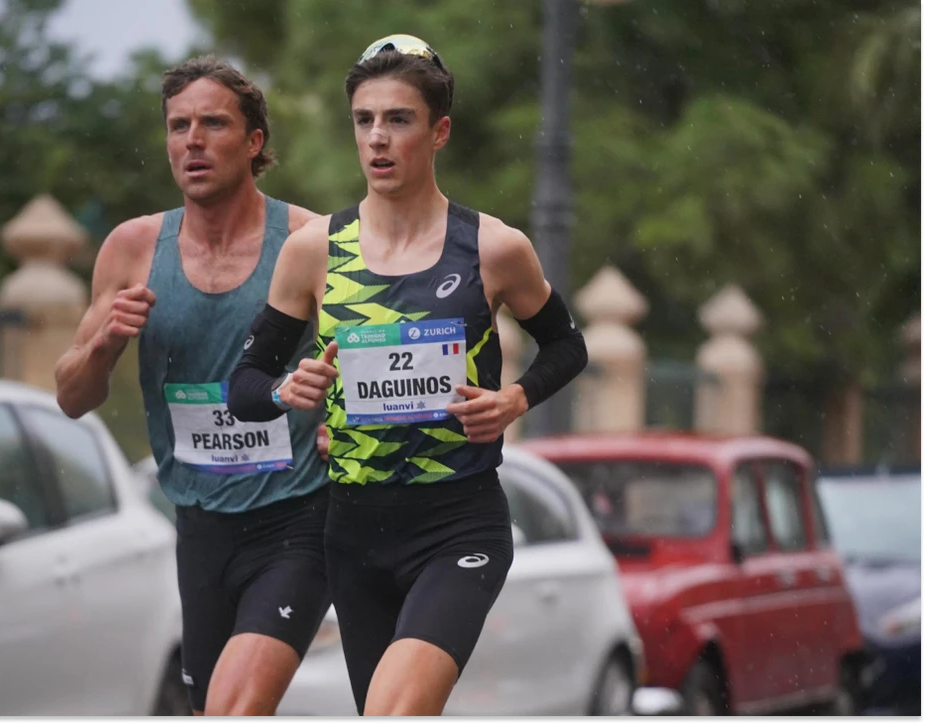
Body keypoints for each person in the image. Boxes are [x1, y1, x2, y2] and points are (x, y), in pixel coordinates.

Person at [227, 34, 588, 716]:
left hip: (458, 525)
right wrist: (284, 390)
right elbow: (244, 387)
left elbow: (568, 346)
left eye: (399, 119)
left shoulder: (493, 247)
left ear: (439, 132)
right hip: (354, 533)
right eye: (364, 120)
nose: (378, 138)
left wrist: (514, 399)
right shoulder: (312, 252)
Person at [54, 55, 331, 717]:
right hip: (199, 524)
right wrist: (105, 343)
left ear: (254, 141)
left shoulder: (309, 239)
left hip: (298, 516)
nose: (193, 142)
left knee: (239, 704)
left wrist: (336, 416)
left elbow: (360, 358)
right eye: (179, 126)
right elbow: (71, 397)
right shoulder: (132, 248)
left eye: (213, 124)